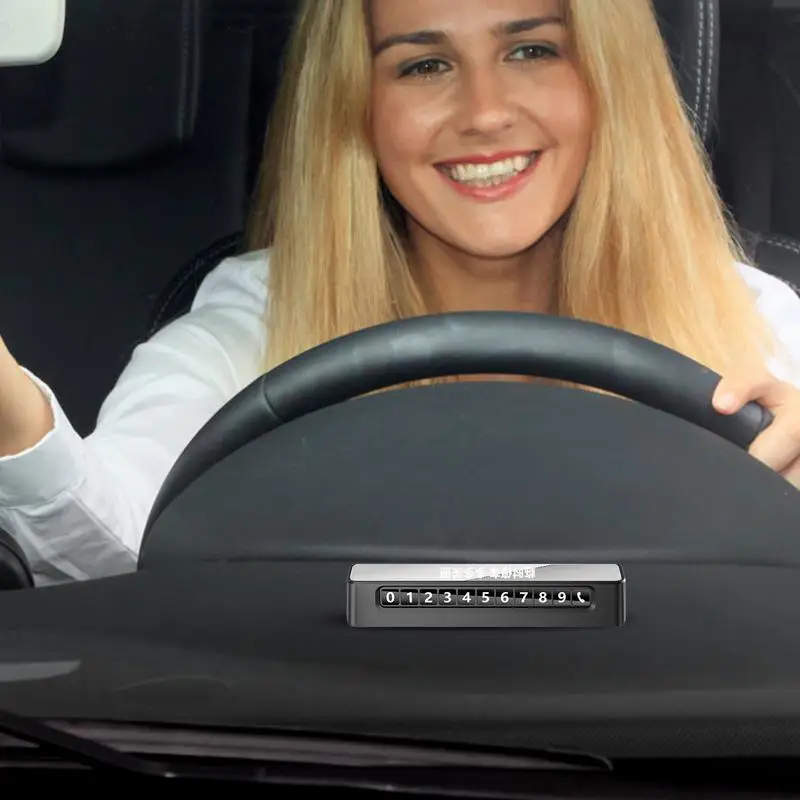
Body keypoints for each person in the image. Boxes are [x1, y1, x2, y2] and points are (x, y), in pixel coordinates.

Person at [1, 0, 800, 586]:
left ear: (608, 79)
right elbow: (110, 552)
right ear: (358, 107)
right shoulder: (255, 321)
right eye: (424, 65)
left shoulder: (756, 324)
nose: (485, 113)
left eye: (531, 50)